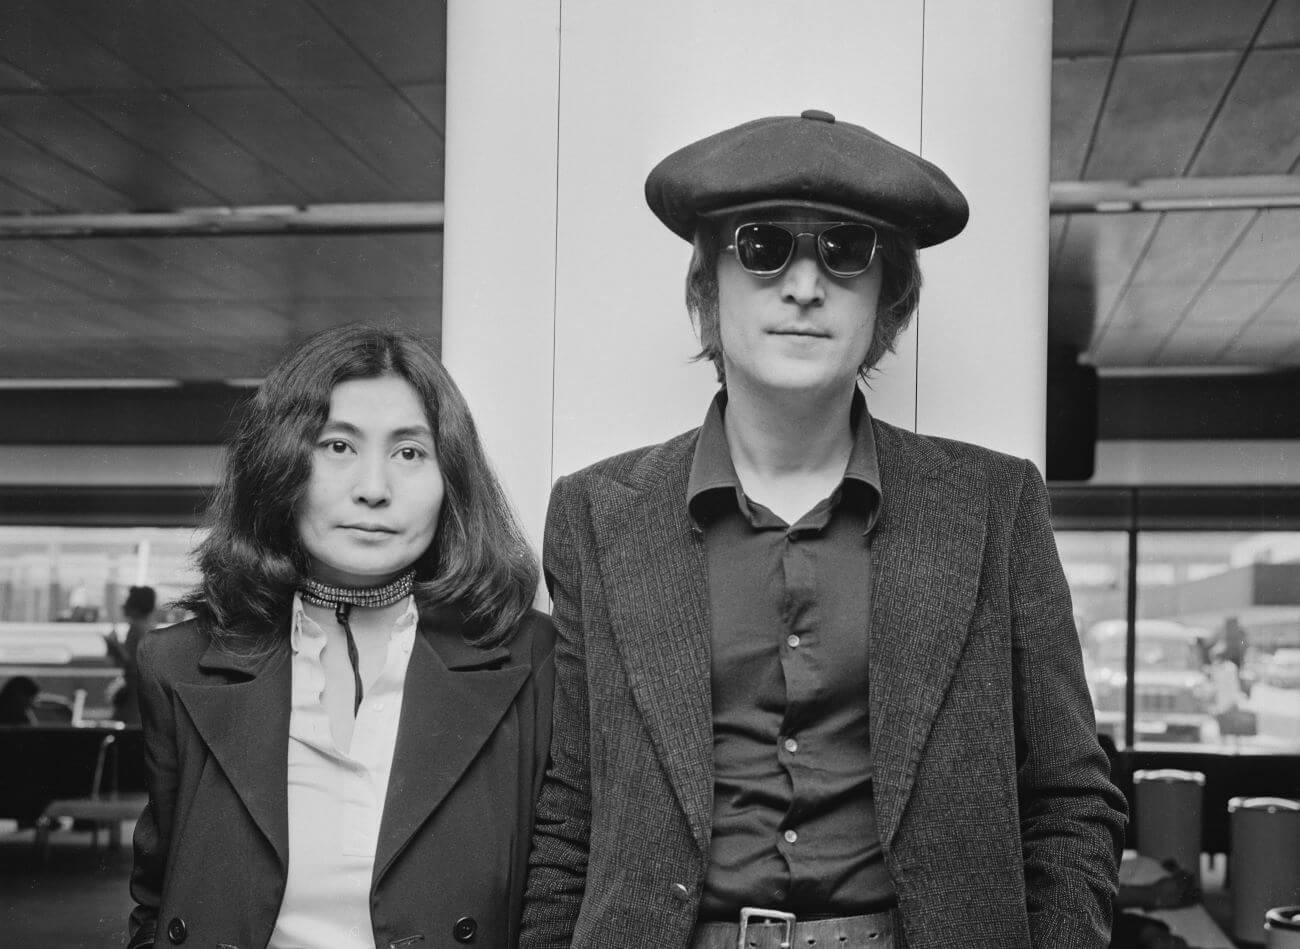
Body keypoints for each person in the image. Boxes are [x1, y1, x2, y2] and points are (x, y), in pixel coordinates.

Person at [522, 111, 1127, 949]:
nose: (804, 285)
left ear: (888, 300)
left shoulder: (993, 504)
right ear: (708, 289)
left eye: (846, 252)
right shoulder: (597, 511)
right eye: (764, 246)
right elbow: (570, 812)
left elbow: (1070, 796)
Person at [127, 324, 554, 949]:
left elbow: (557, 892)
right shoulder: (178, 663)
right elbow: (155, 899)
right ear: (279, 466)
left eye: (410, 452)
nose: (374, 489)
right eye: (337, 447)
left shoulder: (532, 658)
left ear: (451, 481)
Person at [104, 585, 156, 724]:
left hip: (135, 689)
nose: (124, 605)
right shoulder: (147, 626)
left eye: (128, 601)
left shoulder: (137, 627)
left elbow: (131, 662)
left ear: (136, 606)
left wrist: (114, 644)